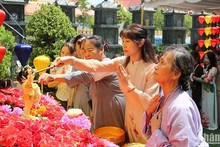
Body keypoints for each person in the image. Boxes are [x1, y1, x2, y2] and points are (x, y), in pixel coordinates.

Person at [50, 23, 160, 143]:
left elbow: (151, 104)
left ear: (140, 43)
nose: (124, 45)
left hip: (143, 120)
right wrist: (72, 60)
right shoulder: (123, 61)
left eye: (128, 41)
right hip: (128, 117)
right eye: (123, 41)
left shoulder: (151, 69)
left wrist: (129, 87)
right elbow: (96, 66)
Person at [39, 35, 125, 130]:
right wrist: (93, 109)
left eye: (90, 50)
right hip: (99, 108)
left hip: (111, 109)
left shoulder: (107, 65)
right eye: (84, 50)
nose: (86, 54)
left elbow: (83, 76)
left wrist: (53, 77)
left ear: (101, 50)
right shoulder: (89, 66)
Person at [142, 46, 208, 146]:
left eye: (162, 62)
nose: (156, 66)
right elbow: (148, 134)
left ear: (175, 73)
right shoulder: (164, 97)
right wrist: (149, 113)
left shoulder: (181, 108)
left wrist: (156, 131)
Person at [194, 51, 218, 130]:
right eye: (205, 57)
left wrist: (196, 78)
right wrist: (202, 77)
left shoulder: (214, 69)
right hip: (204, 88)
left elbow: (207, 80)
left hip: (210, 89)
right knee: (204, 105)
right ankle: (204, 122)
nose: (205, 59)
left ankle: (211, 123)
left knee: (210, 105)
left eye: (207, 58)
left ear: (211, 59)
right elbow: (204, 79)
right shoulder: (204, 68)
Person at [48, 42, 75, 110]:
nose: (64, 55)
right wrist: (61, 77)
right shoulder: (55, 65)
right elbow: (50, 84)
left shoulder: (75, 66)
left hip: (73, 100)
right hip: (60, 98)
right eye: (62, 52)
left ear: (73, 54)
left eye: (68, 53)